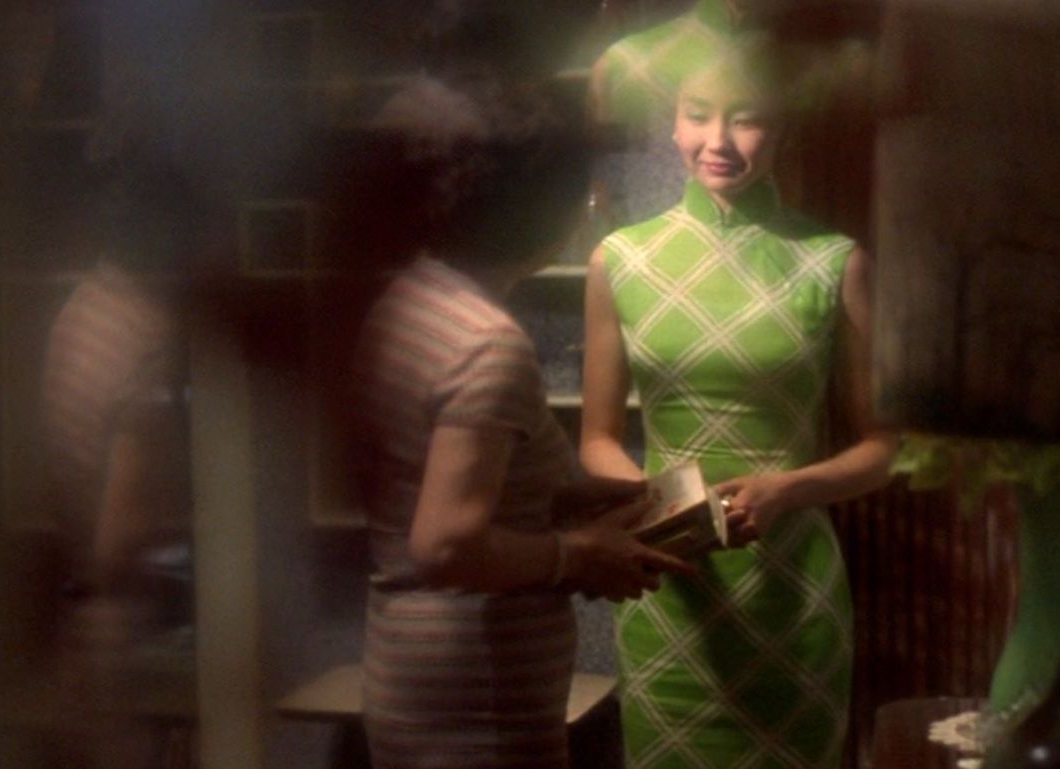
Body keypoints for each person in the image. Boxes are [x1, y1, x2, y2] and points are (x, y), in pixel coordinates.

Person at [348, 75, 692, 769]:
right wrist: (579, 555)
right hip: (479, 696)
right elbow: (445, 545)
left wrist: (564, 500)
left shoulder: (410, 298)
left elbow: (433, 486)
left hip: (409, 671)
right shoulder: (487, 343)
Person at [580, 39, 897, 768]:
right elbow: (597, 439)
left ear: (782, 130)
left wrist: (789, 489)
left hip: (793, 600)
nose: (718, 140)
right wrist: (663, 503)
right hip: (667, 594)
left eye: (746, 119)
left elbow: (884, 448)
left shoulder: (835, 261)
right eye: (698, 114)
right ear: (672, 124)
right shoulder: (618, 260)